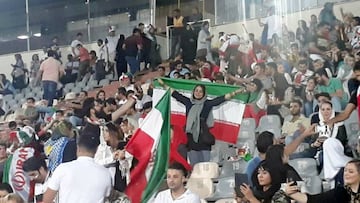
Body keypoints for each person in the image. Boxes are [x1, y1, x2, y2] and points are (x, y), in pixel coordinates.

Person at [159, 78, 246, 165]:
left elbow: (221, 99)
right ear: (193, 92)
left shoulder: (207, 104)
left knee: (205, 166)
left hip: (204, 138)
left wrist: (236, 92)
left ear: (204, 94)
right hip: (191, 139)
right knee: (194, 166)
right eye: (196, 90)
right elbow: (175, 94)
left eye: (200, 91)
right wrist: (163, 84)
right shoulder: (188, 102)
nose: (198, 93)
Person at [43, 131, 112, 203]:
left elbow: (47, 199)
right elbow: (107, 195)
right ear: (96, 150)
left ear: (78, 148)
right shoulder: (106, 173)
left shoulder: (63, 169)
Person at [285, 159, 360, 203]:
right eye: (345, 171)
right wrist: (291, 194)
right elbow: (313, 200)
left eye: (351, 172)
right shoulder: (340, 192)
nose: (346, 174)